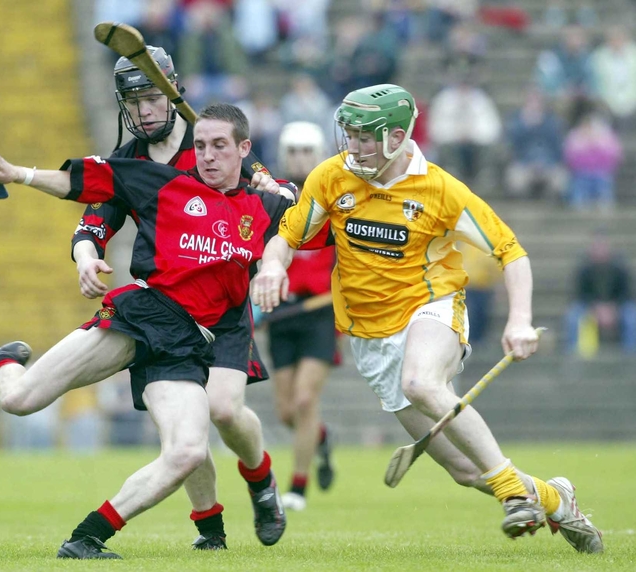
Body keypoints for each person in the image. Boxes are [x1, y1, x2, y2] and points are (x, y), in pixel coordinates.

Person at [251, 84, 604, 553]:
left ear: (397, 137)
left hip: (431, 307)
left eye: (364, 137)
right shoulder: (332, 176)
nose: (352, 146)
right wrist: (274, 264)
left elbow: (510, 251)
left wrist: (519, 319)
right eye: (349, 134)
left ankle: (512, 495)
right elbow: (288, 236)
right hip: (370, 337)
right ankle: (555, 498)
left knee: (421, 382)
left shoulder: (438, 189)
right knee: (463, 471)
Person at [0, 103, 303, 559]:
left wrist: (281, 218)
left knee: (188, 450)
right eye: (201, 146)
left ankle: (85, 538)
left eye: (219, 147)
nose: (206, 156)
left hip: (189, 345)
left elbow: (307, 225)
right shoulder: (162, 182)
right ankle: (2, 363)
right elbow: (79, 182)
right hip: (142, 317)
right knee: (18, 401)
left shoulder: (265, 203)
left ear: (244, 150)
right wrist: (19, 175)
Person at [72, 46, 296, 550]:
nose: (145, 110)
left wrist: (282, 190)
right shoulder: (127, 162)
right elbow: (93, 224)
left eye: (153, 97)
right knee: (185, 430)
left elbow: (275, 197)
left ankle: (261, 481)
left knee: (223, 409)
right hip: (168, 312)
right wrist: (86, 256)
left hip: (225, 310)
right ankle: (210, 532)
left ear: (173, 95)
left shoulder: (208, 142)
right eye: (134, 101)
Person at [264, 121, 337, 512]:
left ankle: (298, 486)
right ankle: (322, 438)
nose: (300, 159)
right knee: (287, 412)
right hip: (282, 312)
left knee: (306, 399)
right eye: (293, 151)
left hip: (320, 311)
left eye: (307, 151)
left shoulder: (335, 194)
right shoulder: (271, 197)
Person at [563, 230, 636, 356]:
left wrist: (613, 308)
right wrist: (596, 308)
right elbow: (580, 293)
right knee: (573, 317)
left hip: (617, 306)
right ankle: (573, 354)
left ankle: (630, 355)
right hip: (590, 306)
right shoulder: (584, 269)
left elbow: (626, 292)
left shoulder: (620, 268)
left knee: (631, 317)